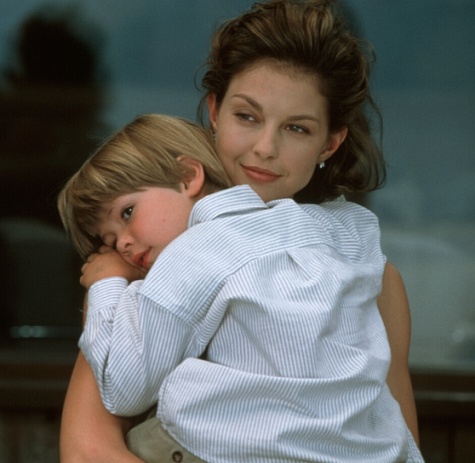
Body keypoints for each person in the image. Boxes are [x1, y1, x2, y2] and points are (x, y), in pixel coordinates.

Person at [59, 0, 421, 461]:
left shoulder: (369, 273)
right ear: (215, 111)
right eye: (246, 116)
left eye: (297, 128)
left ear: (329, 143)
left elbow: (392, 434)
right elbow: (89, 451)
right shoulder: (143, 259)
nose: (265, 148)